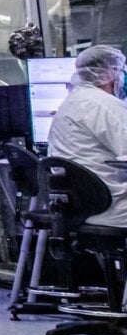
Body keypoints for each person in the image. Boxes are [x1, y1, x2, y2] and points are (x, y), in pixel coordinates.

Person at [46, 45, 127, 228]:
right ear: (112, 74)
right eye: (123, 71)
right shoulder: (106, 105)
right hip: (114, 209)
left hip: (83, 207)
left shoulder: (72, 101)